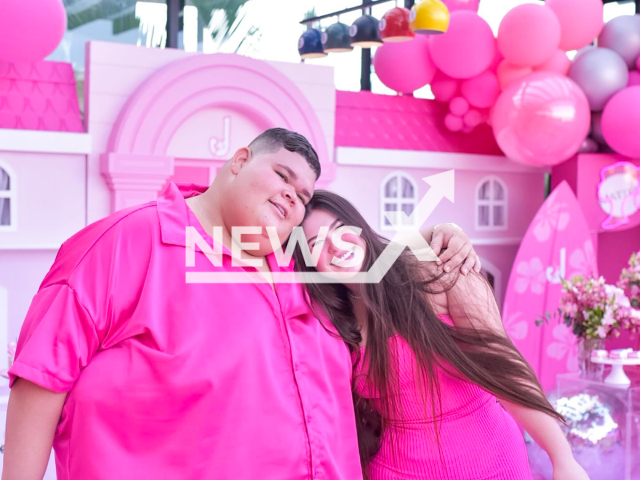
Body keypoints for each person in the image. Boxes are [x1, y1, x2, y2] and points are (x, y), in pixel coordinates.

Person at [3, 128, 479, 480]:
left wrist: (445, 235)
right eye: (281, 176)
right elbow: (40, 382)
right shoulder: (127, 242)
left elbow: (378, 265)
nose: (292, 197)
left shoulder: (302, 265)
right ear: (238, 160)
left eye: (303, 195)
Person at [298, 190, 591, 480]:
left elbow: (503, 367)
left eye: (340, 230)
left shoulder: (437, 270)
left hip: (491, 461)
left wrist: (561, 457)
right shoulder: (331, 321)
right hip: (393, 470)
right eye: (316, 243)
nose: (335, 246)